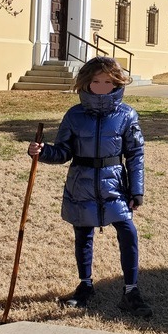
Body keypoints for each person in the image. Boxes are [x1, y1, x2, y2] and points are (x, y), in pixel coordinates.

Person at [28, 56, 152, 318]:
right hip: (81, 183)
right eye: (96, 81)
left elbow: (135, 154)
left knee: (128, 231)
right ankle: (85, 286)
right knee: (83, 235)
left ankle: (131, 291)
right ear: (86, 83)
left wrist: (137, 190)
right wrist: (42, 151)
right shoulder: (74, 115)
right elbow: (63, 152)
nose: (102, 86)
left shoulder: (127, 115)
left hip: (115, 184)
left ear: (117, 82)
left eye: (108, 81)